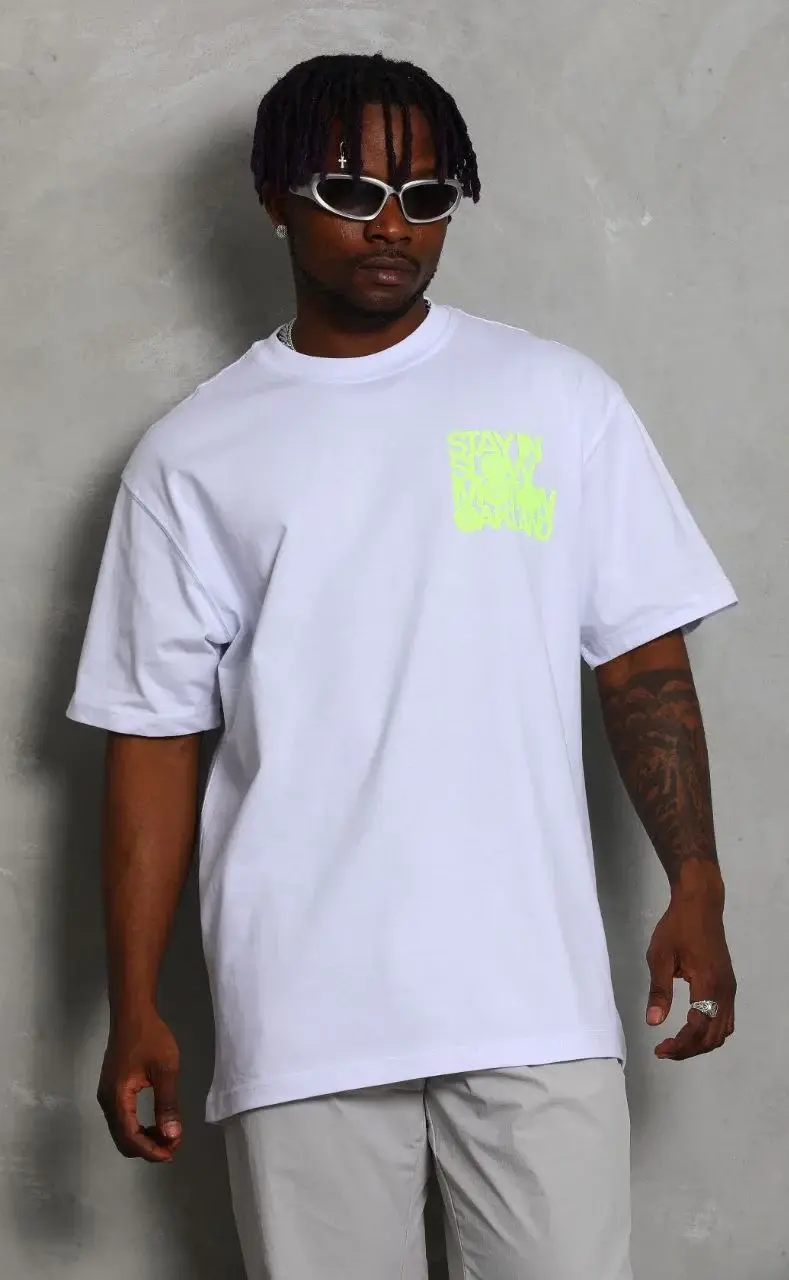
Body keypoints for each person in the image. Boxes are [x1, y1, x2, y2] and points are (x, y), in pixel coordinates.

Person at [68, 51, 738, 1280]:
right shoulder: (192, 455)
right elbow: (151, 738)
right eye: (350, 190)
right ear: (274, 198)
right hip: (301, 1004)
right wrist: (134, 1001)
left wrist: (695, 879)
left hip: (531, 990)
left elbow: (640, 660)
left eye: (426, 197)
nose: (392, 226)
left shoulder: (552, 400)